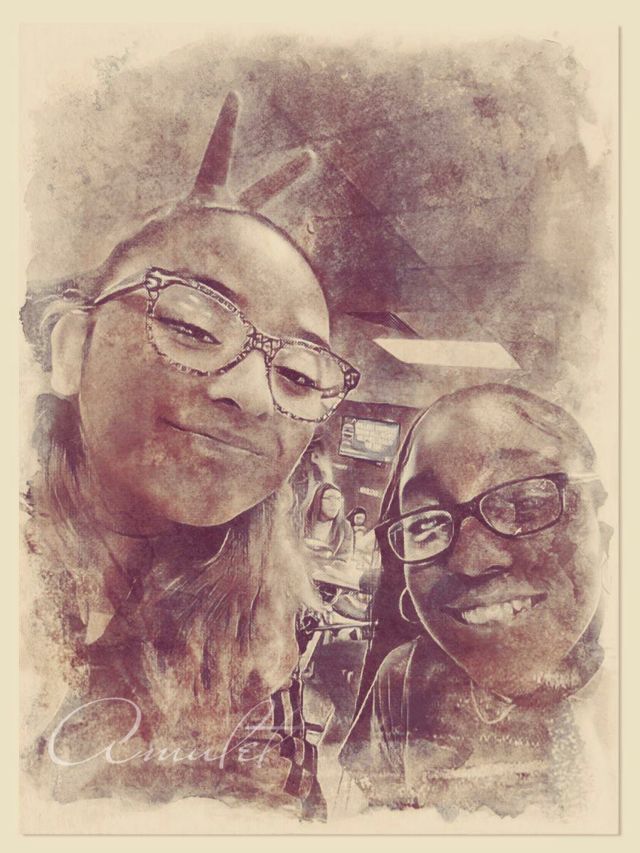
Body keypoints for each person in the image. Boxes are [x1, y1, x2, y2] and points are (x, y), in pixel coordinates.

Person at [21, 92, 360, 815]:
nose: (255, 393)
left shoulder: (266, 627)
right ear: (72, 347)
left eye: (300, 376)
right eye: (193, 324)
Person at [340, 384, 613, 821]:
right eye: (426, 523)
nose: (469, 560)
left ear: (604, 538)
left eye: (526, 504)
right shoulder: (405, 679)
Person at [304, 483, 354, 562]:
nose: (334, 503)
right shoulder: (302, 520)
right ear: (317, 500)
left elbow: (344, 558)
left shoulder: (345, 527)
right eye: (329, 498)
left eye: (338, 499)